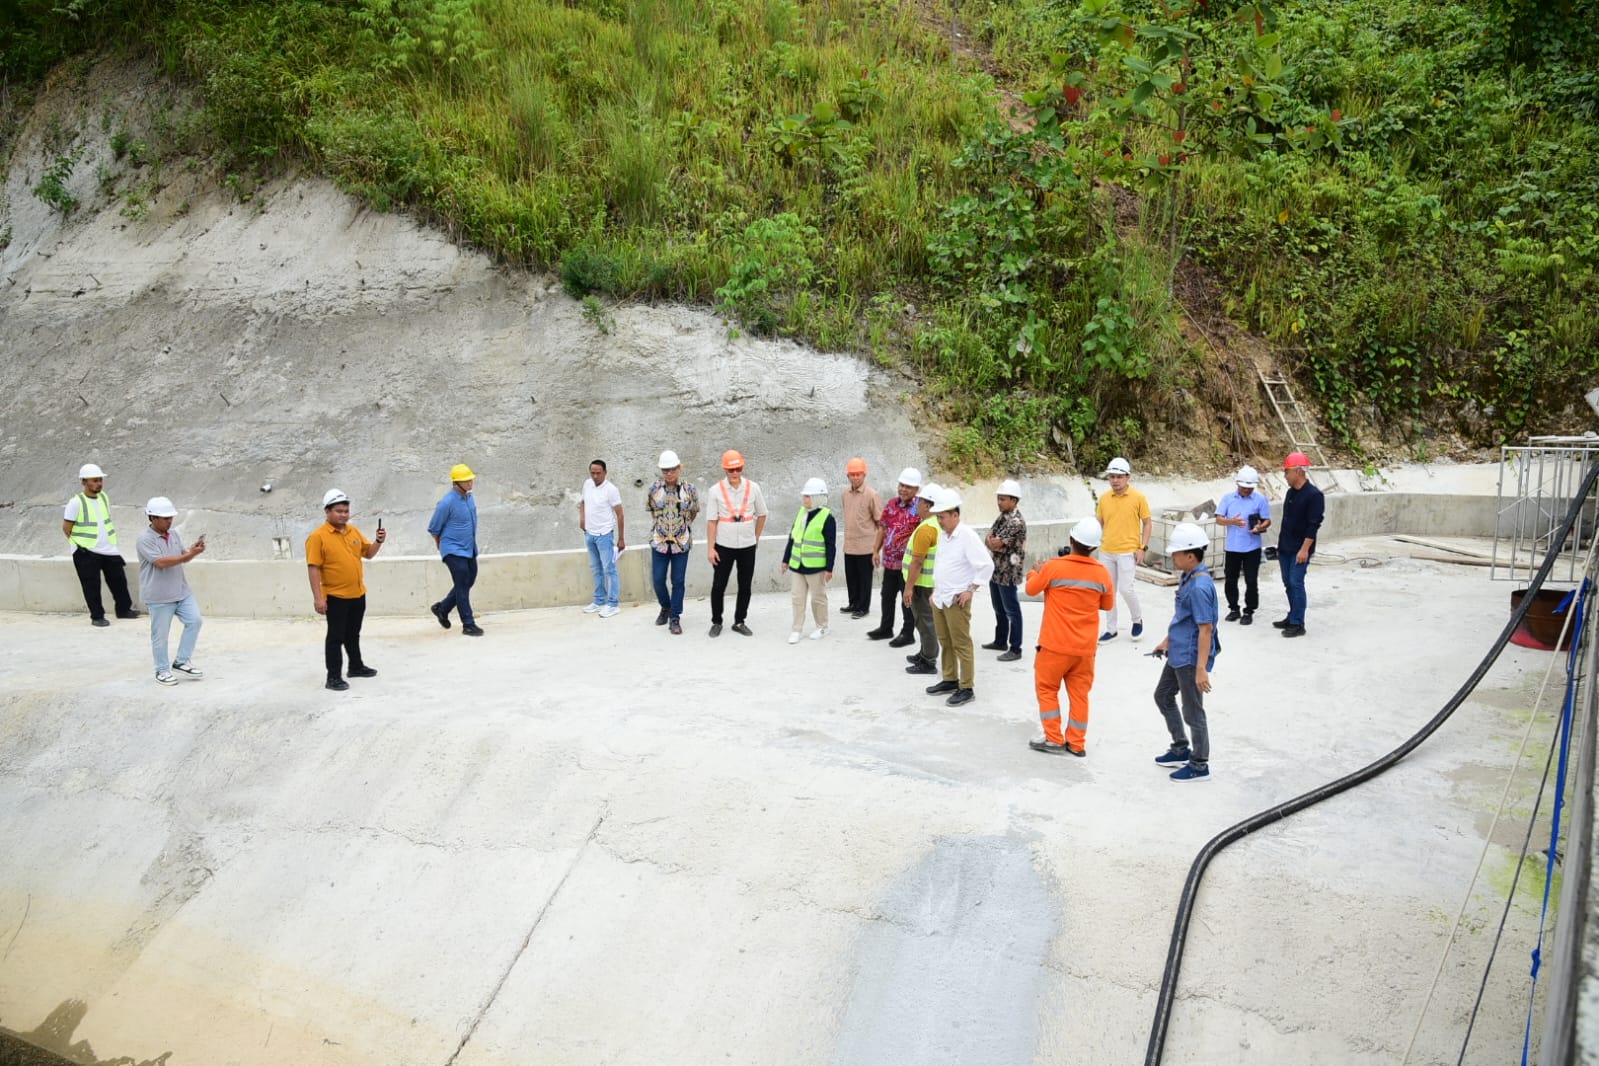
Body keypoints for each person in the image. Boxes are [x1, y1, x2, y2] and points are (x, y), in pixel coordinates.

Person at [1024, 517, 1114, 756]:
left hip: (1054, 645)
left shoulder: (1054, 567)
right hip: (1084, 649)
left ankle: (1053, 738)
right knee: (1080, 695)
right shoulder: (1103, 574)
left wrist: (1035, 572)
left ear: (1071, 540)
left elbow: (1031, 589)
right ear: (1094, 547)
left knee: (1047, 689)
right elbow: (1107, 605)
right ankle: (1076, 743)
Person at [1152, 522, 1221, 781]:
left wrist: (1201, 669)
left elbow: (1205, 629)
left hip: (1191, 658)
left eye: (1176, 553)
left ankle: (1200, 764)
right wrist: (1167, 641)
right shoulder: (1187, 577)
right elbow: (1184, 617)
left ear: (1190, 555)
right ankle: (1181, 748)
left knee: (1193, 712)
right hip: (1178, 651)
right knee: (1163, 695)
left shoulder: (1200, 587)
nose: (1172, 557)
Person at [306, 489, 387, 691]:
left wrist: (378, 541)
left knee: (353, 633)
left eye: (346, 511)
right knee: (335, 637)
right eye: (339, 511)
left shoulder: (353, 531)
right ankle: (333, 677)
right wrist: (318, 598)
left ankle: (356, 666)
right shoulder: (318, 537)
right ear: (327, 511)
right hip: (335, 596)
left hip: (358, 593)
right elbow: (313, 568)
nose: (343, 514)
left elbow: (368, 554)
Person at [924, 488, 994, 706]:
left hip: (957, 599)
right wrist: (935, 591)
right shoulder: (944, 536)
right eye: (938, 517)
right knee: (945, 641)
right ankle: (949, 678)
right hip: (941, 597)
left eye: (942, 517)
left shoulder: (967, 536)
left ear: (955, 515)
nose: (940, 521)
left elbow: (986, 565)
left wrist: (970, 590)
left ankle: (966, 686)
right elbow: (942, 564)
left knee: (961, 643)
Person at [136, 496, 206, 686]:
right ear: (152, 517)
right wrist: (187, 556)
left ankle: (181, 661)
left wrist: (193, 551)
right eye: (165, 517)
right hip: (159, 596)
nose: (169, 520)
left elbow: (182, 556)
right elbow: (161, 562)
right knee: (160, 636)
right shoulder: (144, 539)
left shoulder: (174, 535)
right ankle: (162, 670)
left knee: (195, 621)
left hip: (181, 592)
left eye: (171, 517)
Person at [62, 462, 139, 627]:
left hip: (108, 549)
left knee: (119, 580)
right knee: (91, 586)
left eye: (100, 480)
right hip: (86, 551)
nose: (99, 483)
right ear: (84, 482)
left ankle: (124, 610)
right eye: (94, 480)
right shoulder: (76, 502)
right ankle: (97, 616)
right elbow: (67, 528)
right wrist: (79, 547)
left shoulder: (104, 497)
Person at [705, 449, 768, 637]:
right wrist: (710, 549)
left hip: (747, 546)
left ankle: (739, 621)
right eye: (731, 470)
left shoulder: (753, 488)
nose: (735, 473)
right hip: (724, 545)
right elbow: (711, 521)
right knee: (718, 585)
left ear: (742, 467)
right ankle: (717, 621)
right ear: (725, 470)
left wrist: (756, 538)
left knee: (745, 585)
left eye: (738, 469)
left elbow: (762, 514)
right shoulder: (715, 491)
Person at [1095, 457, 1152, 643]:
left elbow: (1147, 523)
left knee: (1126, 589)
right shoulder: (1103, 499)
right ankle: (1111, 629)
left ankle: (1137, 621)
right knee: (1108, 592)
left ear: (1128, 477)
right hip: (1106, 551)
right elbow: (1099, 524)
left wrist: (1143, 547)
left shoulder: (1138, 498)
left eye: (1119, 477)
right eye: (1112, 476)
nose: (1115, 480)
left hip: (1128, 551)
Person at [646, 450, 700, 635]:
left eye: (672, 469)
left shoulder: (689, 489)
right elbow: (652, 511)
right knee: (658, 579)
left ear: (679, 468)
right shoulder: (654, 489)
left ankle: (675, 617)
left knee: (678, 581)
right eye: (665, 470)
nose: (669, 473)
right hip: (660, 541)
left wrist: (681, 528)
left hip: (681, 542)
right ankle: (665, 606)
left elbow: (694, 511)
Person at [869, 468, 923, 645]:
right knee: (887, 596)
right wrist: (876, 551)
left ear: (916, 489)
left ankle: (908, 633)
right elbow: (882, 528)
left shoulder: (920, 508)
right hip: (890, 562)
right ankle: (886, 628)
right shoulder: (891, 504)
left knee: (907, 599)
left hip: (908, 565)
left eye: (908, 486)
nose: (903, 489)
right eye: (901, 485)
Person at [428, 463, 483, 636]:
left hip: (469, 548)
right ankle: (468, 624)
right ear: (456, 483)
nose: (469, 483)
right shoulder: (447, 502)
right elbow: (434, 527)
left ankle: (442, 609)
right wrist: (440, 543)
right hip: (452, 549)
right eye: (465, 481)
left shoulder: (469, 497)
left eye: (470, 480)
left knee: (469, 580)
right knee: (461, 583)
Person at [781, 477, 837, 644]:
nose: (804, 499)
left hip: (816, 567)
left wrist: (829, 568)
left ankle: (822, 626)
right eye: (804, 496)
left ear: (817, 498)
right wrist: (786, 560)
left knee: (818, 598)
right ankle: (796, 629)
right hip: (798, 565)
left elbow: (830, 545)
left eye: (807, 496)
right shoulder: (801, 513)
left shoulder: (827, 517)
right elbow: (792, 538)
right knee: (797, 598)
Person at [1275, 452, 1325, 639]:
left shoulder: (1314, 496)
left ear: (1298, 471)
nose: (1285, 475)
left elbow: (1313, 525)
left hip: (1299, 549)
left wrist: (1304, 550)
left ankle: (1298, 623)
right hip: (1285, 547)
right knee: (1288, 583)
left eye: (1287, 471)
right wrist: (1280, 546)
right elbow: (1286, 522)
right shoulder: (1290, 493)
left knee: (1296, 583)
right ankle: (1292, 615)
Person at [1215, 465, 1271, 626]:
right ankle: (1234, 608)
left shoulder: (1260, 499)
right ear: (1238, 484)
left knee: (1251, 580)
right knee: (1230, 579)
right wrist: (1232, 521)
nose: (1247, 490)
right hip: (1232, 547)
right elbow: (1219, 519)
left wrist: (1261, 527)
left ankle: (1249, 610)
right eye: (1244, 487)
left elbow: (1267, 520)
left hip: (1252, 547)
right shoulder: (1228, 499)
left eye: (1249, 488)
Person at [982, 479, 1028, 662]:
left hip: (1009, 571)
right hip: (996, 570)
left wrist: (994, 544)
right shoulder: (1002, 517)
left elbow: (994, 542)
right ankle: (1000, 640)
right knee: (998, 608)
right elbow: (989, 539)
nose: (999, 502)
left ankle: (1015, 648)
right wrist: (994, 544)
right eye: (999, 498)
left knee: (1012, 610)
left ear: (1014, 501)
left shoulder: (1016, 521)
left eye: (1003, 499)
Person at [900, 482, 943, 675]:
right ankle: (925, 652)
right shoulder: (937, 524)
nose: (916, 505)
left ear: (928, 505)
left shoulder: (927, 529)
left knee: (925, 622)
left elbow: (917, 562)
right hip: (929, 583)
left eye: (919, 502)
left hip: (921, 584)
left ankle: (929, 660)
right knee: (924, 621)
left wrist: (908, 588)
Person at [579, 459, 625, 619]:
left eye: (598, 473)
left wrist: (621, 539)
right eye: (593, 472)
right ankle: (599, 600)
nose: (595, 476)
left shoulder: (611, 490)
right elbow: (583, 502)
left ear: (605, 472)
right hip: (590, 533)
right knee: (596, 569)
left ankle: (613, 604)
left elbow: (619, 513)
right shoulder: (587, 484)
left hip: (605, 534)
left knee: (609, 570)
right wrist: (582, 519)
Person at [840, 458, 882, 619]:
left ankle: (863, 607)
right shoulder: (845, 494)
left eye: (858, 474)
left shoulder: (872, 495)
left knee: (864, 579)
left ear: (864, 475)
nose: (855, 477)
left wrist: (877, 548)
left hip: (866, 546)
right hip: (850, 544)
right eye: (852, 474)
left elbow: (880, 523)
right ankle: (853, 603)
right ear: (848, 476)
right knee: (851, 576)